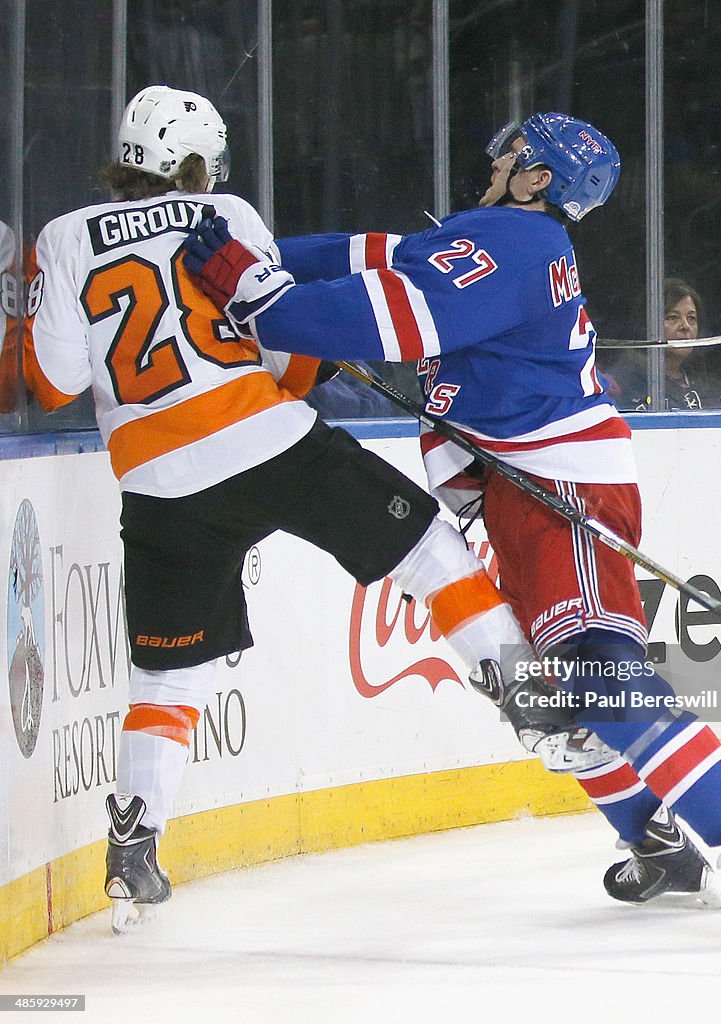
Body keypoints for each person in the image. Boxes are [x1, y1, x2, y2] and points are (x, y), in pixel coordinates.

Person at [184, 112, 721, 945]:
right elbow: (361, 254)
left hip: (561, 485)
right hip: (511, 486)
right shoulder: (490, 239)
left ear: (536, 179)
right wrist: (244, 248)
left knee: (596, 670)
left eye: (513, 153)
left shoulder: (516, 247)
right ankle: (655, 840)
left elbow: (377, 320)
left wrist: (250, 289)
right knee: (549, 694)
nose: (495, 160)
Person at [23, 87, 612, 932]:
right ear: (198, 163)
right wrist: (322, 365)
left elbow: (56, 384)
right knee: (431, 554)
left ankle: (133, 848)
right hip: (265, 444)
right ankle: (534, 707)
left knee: (166, 673)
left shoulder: (64, 236)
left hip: (153, 482)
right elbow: (285, 343)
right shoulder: (224, 212)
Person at [611, 278, 721, 410]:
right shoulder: (623, 383)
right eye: (673, 317)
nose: (685, 326)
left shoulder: (707, 386)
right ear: (647, 324)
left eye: (691, 318)